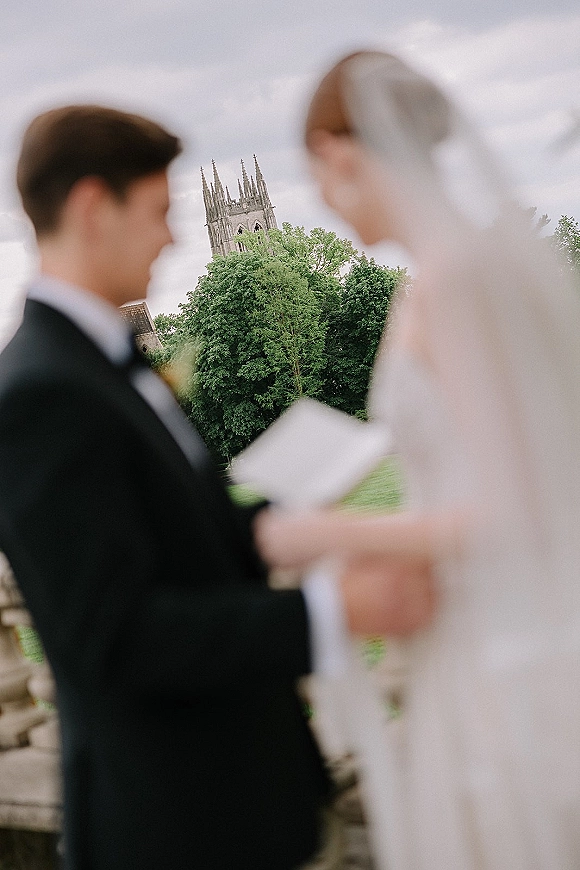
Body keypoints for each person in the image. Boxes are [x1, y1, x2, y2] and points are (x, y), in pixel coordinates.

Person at [0, 104, 436, 870]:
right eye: (157, 212)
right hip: (174, 825)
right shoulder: (40, 391)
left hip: (247, 801)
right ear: (93, 207)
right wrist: (326, 611)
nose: (171, 237)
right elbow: (116, 635)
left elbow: (179, 534)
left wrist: (292, 518)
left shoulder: (106, 364)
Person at [255, 51, 580, 869]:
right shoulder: (445, 277)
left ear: (338, 152)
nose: (324, 207)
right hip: (470, 639)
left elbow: (515, 510)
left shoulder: (457, 284)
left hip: (499, 662)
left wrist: (321, 534)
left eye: (317, 179)